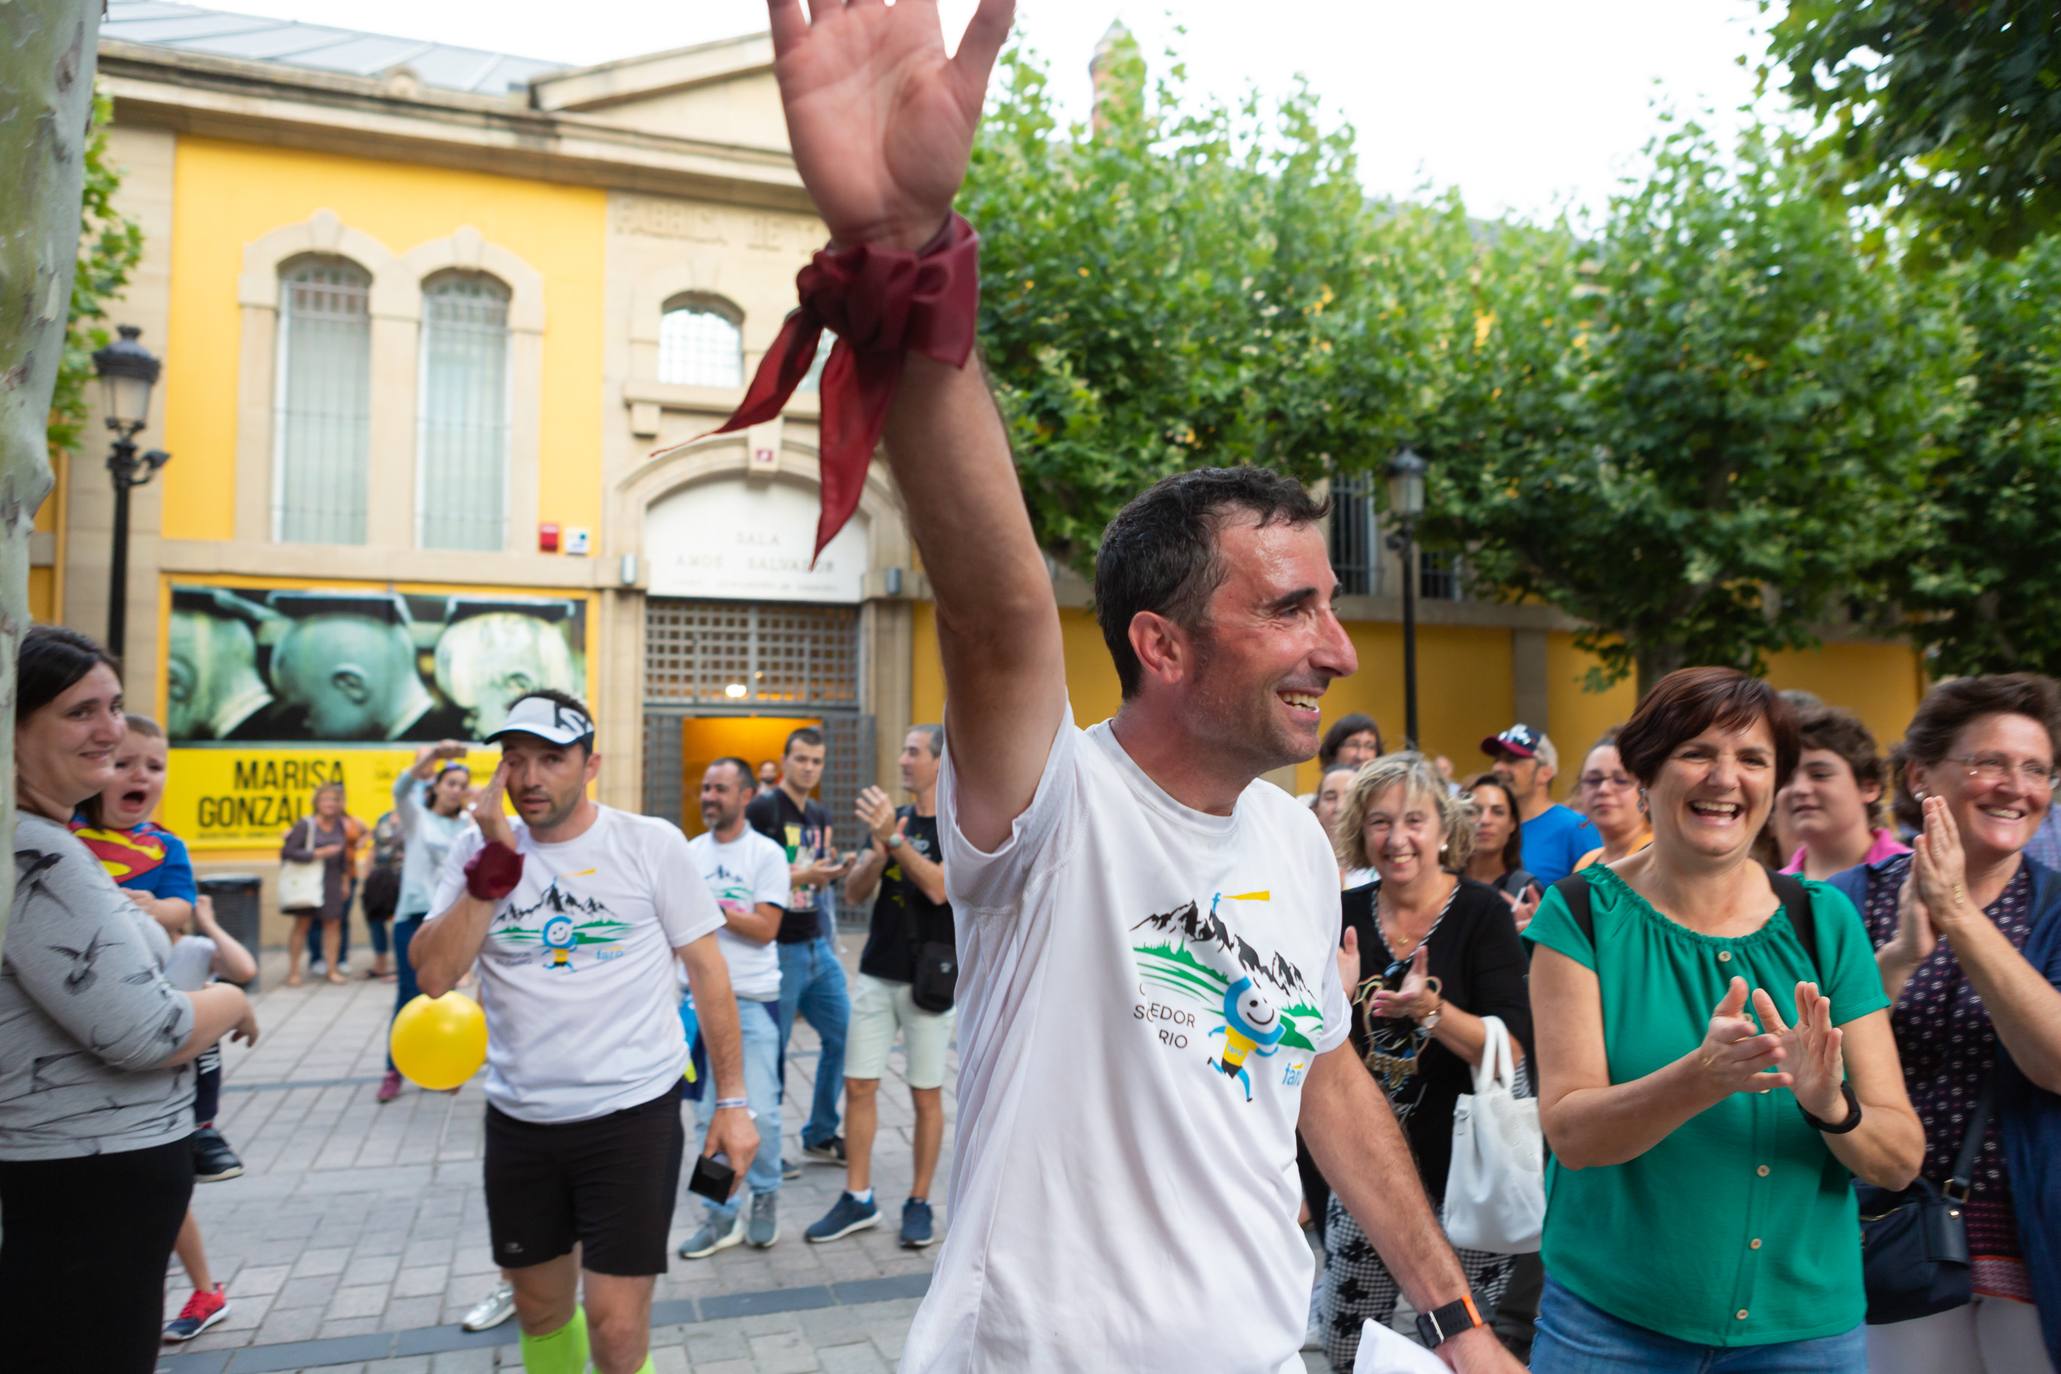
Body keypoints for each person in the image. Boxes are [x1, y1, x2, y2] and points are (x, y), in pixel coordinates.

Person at [1524, 667, 1923, 1373]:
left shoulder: (1823, 920)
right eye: (1697, 753)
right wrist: (1699, 1078)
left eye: (1751, 759)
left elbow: (1896, 1158)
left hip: (1804, 1337)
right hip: (1611, 1329)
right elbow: (1571, 1134)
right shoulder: (1580, 912)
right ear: (1646, 772)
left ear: (1773, 784)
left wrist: (1829, 1104)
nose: (1724, 778)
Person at [407, 690, 756, 1374]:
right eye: (515, 760)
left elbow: (710, 974)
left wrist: (734, 1103)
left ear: (590, 765)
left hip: (631, 1117)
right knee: (539, 1312)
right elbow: (434, 976)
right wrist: (493, 868)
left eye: (550, 759)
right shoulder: (474, 852)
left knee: (616, 1331)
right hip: (521, 1120)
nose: (530, 777)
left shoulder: (647, 843)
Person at [0, 626, 258, 1373]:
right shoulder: (36, 852)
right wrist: (230, 1001)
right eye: (81, 712)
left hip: (95, 1187)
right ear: (15, 724)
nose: (111, 730)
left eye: (114, 706)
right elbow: (144, 1031)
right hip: (83, 1190)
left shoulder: (53, 840)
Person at [1826, 674, 2061, 1372]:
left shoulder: (2053, 907)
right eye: (1987, 762)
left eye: (2035, 770)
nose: (2012, 786)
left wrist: (1956, 913)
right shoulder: (1844, 903)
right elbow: (1810, 1069)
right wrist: (1895, 963)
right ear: (1920, 775)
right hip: (1888, 1245)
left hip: (2035, 1245)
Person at [1317, 753, 1533, 1368]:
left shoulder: (1481, 913)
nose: (1397, 838)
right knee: (1344, 1343)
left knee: (1459, 1347)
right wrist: (1329, 997)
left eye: (1414, 819)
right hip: (1368, 1165)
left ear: (1444, 827)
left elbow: (1511, 1044)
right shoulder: (1345, 914)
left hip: (1470, 1172)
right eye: (1380, 822)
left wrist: (1430, 1012)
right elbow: (1315, 1044)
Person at [71, 714, 245, 1183]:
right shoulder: (68, 835)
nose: (140, 775)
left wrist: (152, 907)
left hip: (156, 969)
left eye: (154, 766)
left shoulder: (165, 846)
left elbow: (179, 908)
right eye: (123, 762)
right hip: (86, 973)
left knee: (201, 1041)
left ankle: (202, 1127)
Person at [809, 725, 956, 1250]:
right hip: (876, 971)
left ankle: (918, 1202)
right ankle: (858, 1196)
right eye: (904, 750)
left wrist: (894, 840)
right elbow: (852, 893)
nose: (902, 760)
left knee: (924, 1093)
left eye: (913, 752)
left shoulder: (960, 825)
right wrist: (876, 851)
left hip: (930, 983)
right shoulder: (893, 818)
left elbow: (941, 889)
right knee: (859, 1085)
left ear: (940, 762)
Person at [678, 757, 791, 1258]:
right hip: (697, 1005)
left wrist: (710, 909)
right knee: (706, 1120)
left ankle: (764, 1197)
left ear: (746, 796)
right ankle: (720, 1215)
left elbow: (767, 927)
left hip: (752, 1000)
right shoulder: (687, 854)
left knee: (760, 1112)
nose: (709, 797)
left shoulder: (766, 854)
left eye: (720, 789)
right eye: (705, 788)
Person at [745, 727, 852, 1168]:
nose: (809, 768)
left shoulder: (820, 815)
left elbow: (813, 874)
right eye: (802, 759)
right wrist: (806, 876)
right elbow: (749, 874)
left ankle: (821, 1132)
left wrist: (833, 871)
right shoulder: (764, 809)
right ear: (785, 759)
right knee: (773, 1050)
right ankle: (763, 1147)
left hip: (815, 943)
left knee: (845, 1034)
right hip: (778, 948)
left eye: (816, 761)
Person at [377, 742, 474, 1105]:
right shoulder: (417, 816)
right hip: (414, 918)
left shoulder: (468, 825)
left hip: (450, 920)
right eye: (450, 783)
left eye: (462, 785)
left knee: (443, 996)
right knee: (407, 995)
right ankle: (393, 1070)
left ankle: (441, 1066)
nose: (456, 790)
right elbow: (400, 788)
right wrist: (432, 757)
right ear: (436, 786)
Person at [1778, 704, 1910, 880]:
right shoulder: (1769, 892)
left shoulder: (1911, 873)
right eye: (1787, 778)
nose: (1799, 789)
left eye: (1819, 775)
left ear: (1869, 787)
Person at [1482, 723, 1592, 885]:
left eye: (1512, 760)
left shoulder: (1576, 827)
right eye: (1497, 759)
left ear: (1545, 773)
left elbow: (1598, 897)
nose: (1498, 767)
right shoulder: (1486, 824)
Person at [281, 783, 351, 986]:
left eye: (334, 800)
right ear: (317, 803)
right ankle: (294, 971)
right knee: (302, 924)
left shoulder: (340, 825)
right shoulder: (305, 824)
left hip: (332, 880)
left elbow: (343, 855)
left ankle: (332, 969)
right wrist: (317, 854)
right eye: (325, 799)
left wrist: (345, 880)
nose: (330, 804)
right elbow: (288, 852)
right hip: (307, 881)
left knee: (333, 924)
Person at [1571, 730, 1652, 872]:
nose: (1603, 789)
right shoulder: (1586, 863)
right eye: (1593, 780)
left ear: (1646, 792)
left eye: (1621, 781)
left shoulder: (1659, 857)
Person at [1462, 772, 1539, 909]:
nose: (1485, 820)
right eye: (1474, 810)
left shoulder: (1525, 890)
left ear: (1512, 823)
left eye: (1498, 812)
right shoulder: (1439, 882)